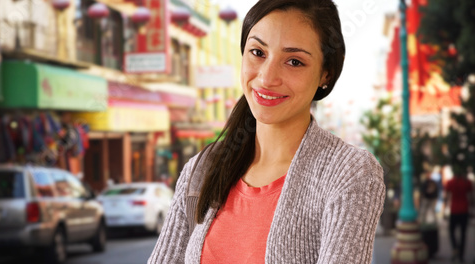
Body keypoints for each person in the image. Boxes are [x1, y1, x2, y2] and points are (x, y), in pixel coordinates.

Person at [149, 0, 385, 263]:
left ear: (325, 75)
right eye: (258, 52)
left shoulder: (349, 173)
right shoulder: (201, 170)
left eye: (294, 61)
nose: (266, 78)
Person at [444, 172, 473, 263]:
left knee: (451, 231)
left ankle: (455, 248)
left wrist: (445, 208)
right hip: (464, 209)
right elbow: (471, 197)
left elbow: (447, 196)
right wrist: (471, 209)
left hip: (454, 210)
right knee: (463, 234)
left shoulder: (451, 182)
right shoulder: (467, 182)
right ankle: (461, 254)